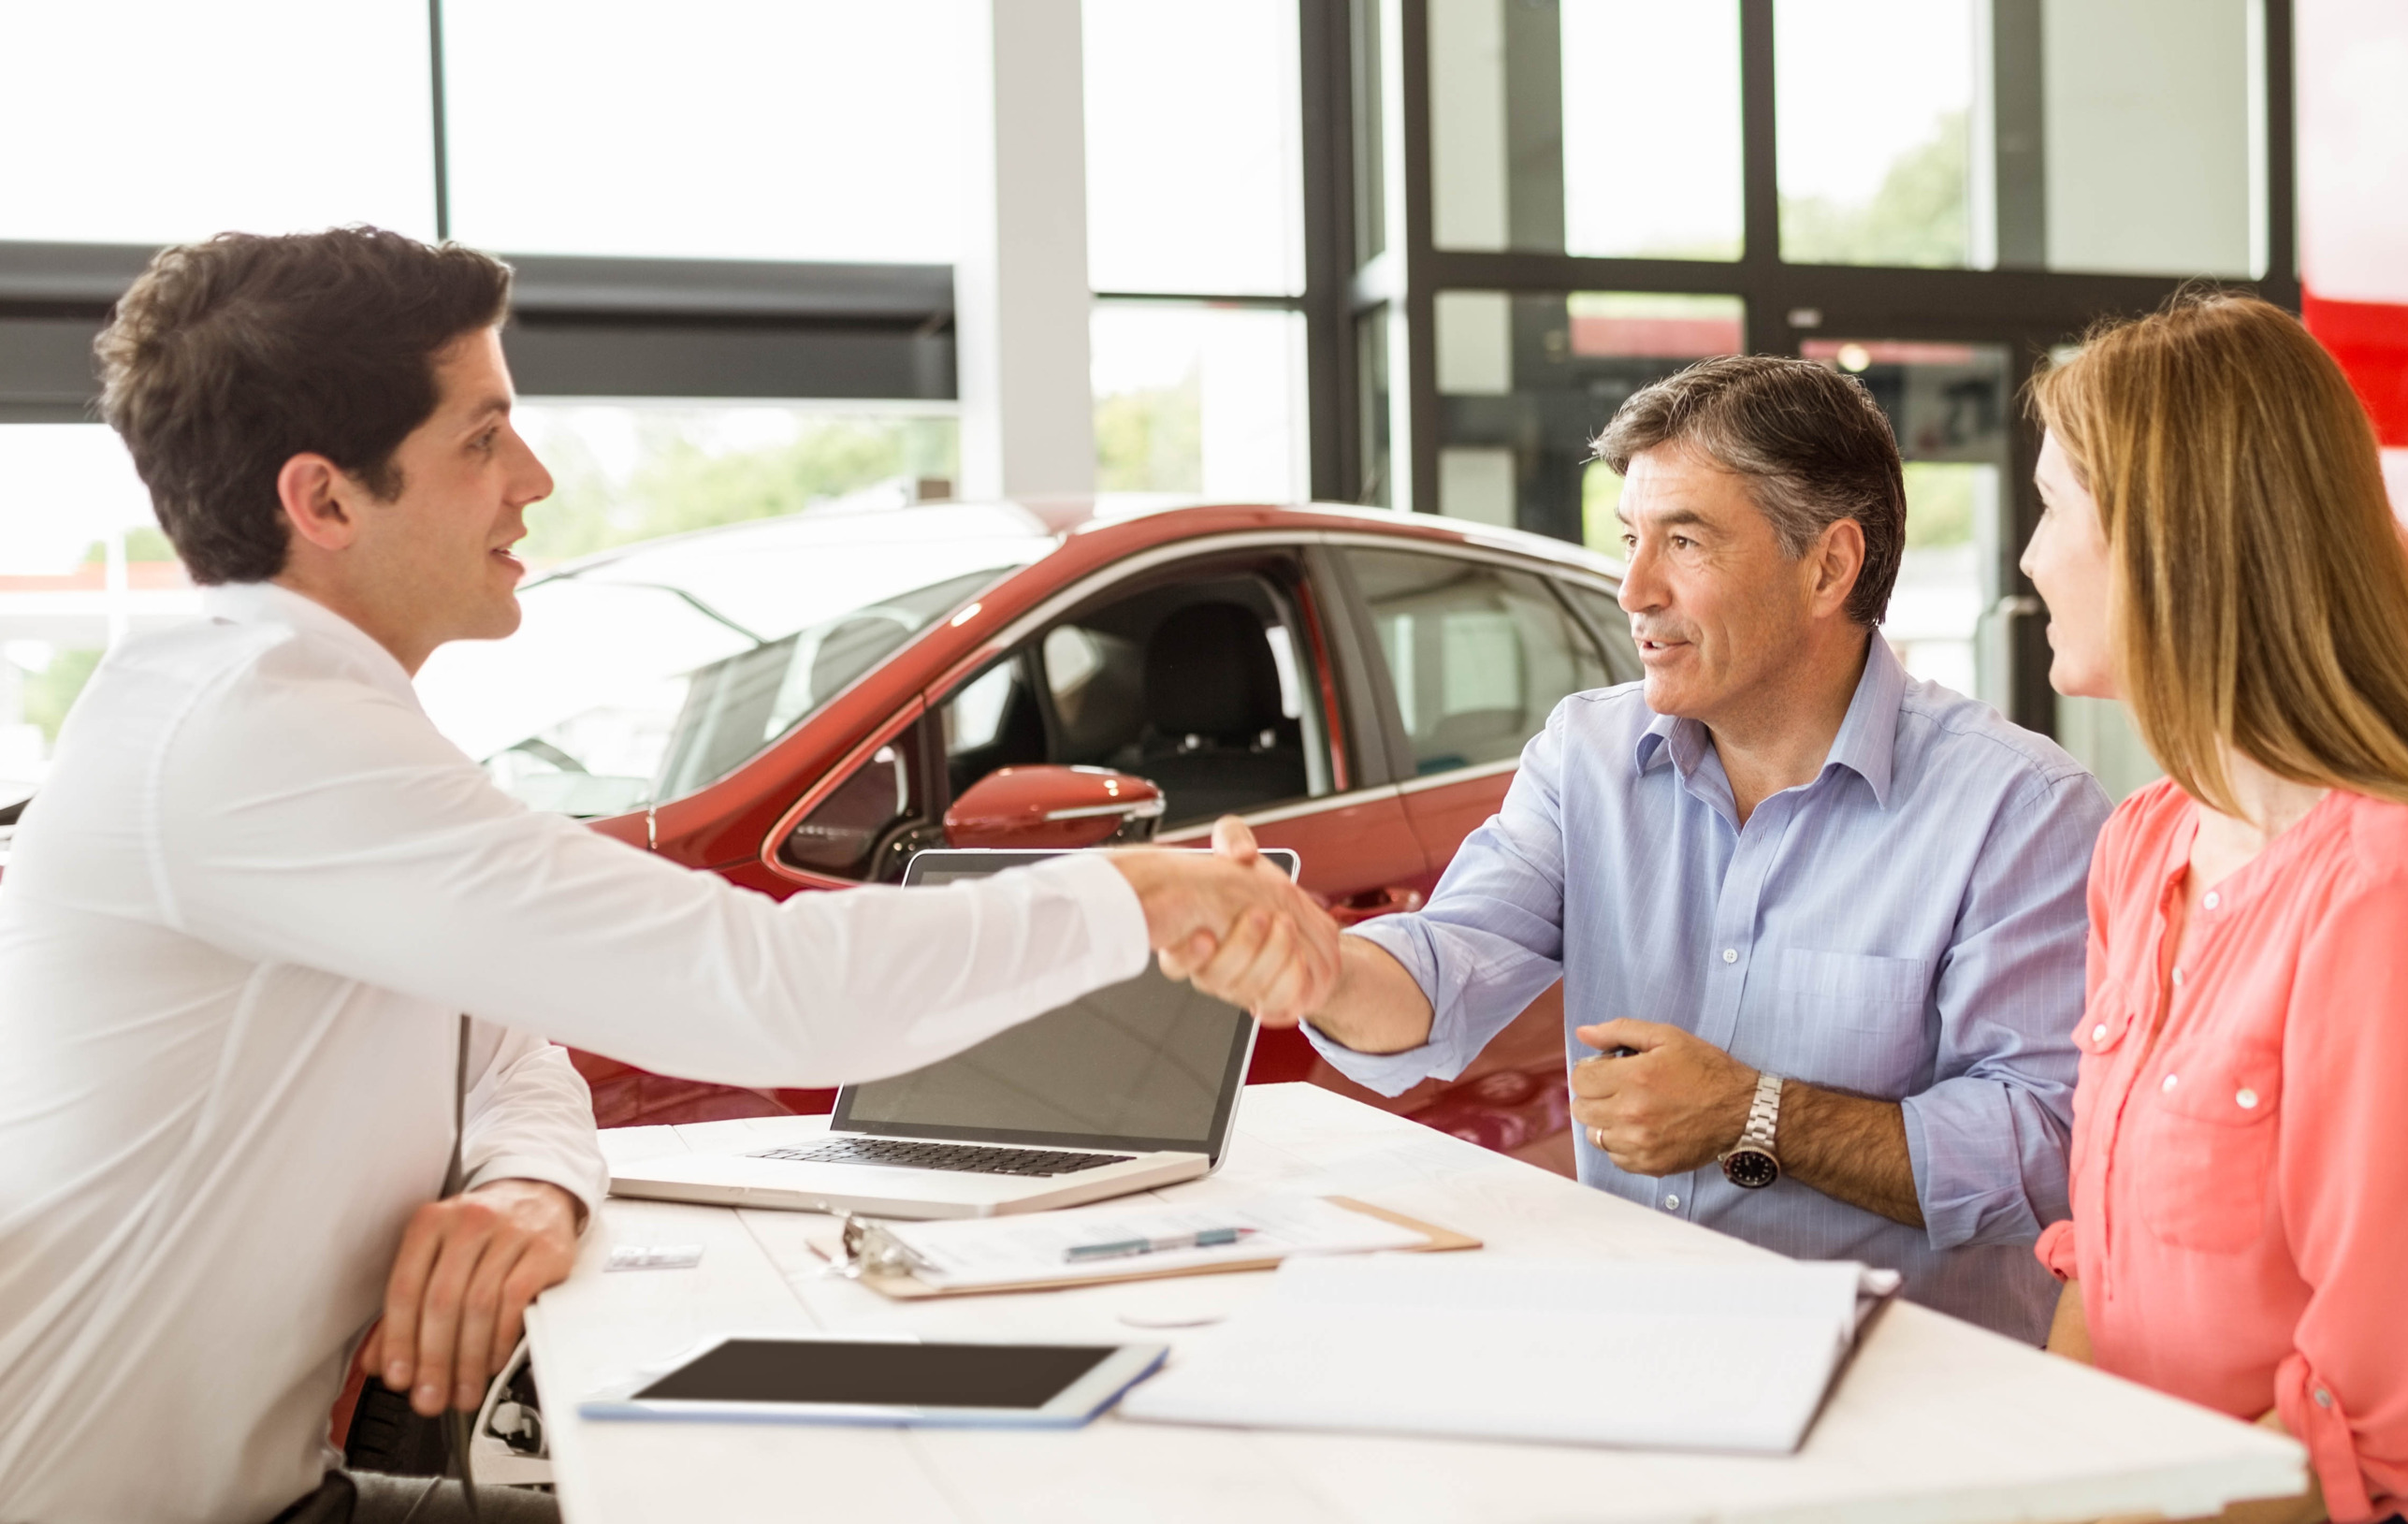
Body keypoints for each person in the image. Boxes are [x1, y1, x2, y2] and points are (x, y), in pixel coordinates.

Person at [0, 228, 1339, 1524]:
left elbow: (511, 1054)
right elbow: (767, 992)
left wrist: (533, 1185)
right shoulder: (254, 739)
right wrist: (1147, 896)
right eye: (481, 437)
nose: (534, 478)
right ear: (325, 499)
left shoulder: (292, 721)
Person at [1190, 355, 2109, 1341]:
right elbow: (1449, 963)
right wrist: (1318, 961)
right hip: (1636, 1346)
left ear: (1829, 567)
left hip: (1907, 1396)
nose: (1632, 588)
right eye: (1629, 537)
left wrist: (1757, 1116)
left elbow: (2046, 1148)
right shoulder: (1584, 756)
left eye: (1683, 540)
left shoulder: (2018, 809)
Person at [2018, 293, 2408, 1524]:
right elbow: (2110, 1281)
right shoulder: (2146, 849)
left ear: (2168, 540)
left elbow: (2384, 1431)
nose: (2028, 558)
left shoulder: (2403, 897)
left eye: (2052, 508)